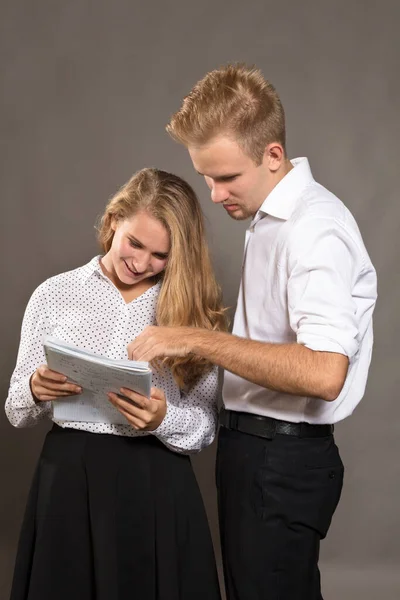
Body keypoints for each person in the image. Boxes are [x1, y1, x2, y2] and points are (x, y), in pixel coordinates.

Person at [126, 65, 378, 600]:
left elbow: (325, 372)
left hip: (282, 463)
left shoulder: (315, 228)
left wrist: (197, 339)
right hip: (253, 454)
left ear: (272, 155)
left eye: (226, 177)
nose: (214, 195)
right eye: (206, 178)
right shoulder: (269, 216)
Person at [5, 167, 227, 600]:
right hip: (70, 478)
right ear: (112, 223)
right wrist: (35, 387)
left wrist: (163, 417)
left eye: (160, 255)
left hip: (156, 481)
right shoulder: (53, 294)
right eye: (134, 243)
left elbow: (206, 427)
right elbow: (15, 409)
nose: (141, 263)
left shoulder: (192, 312)